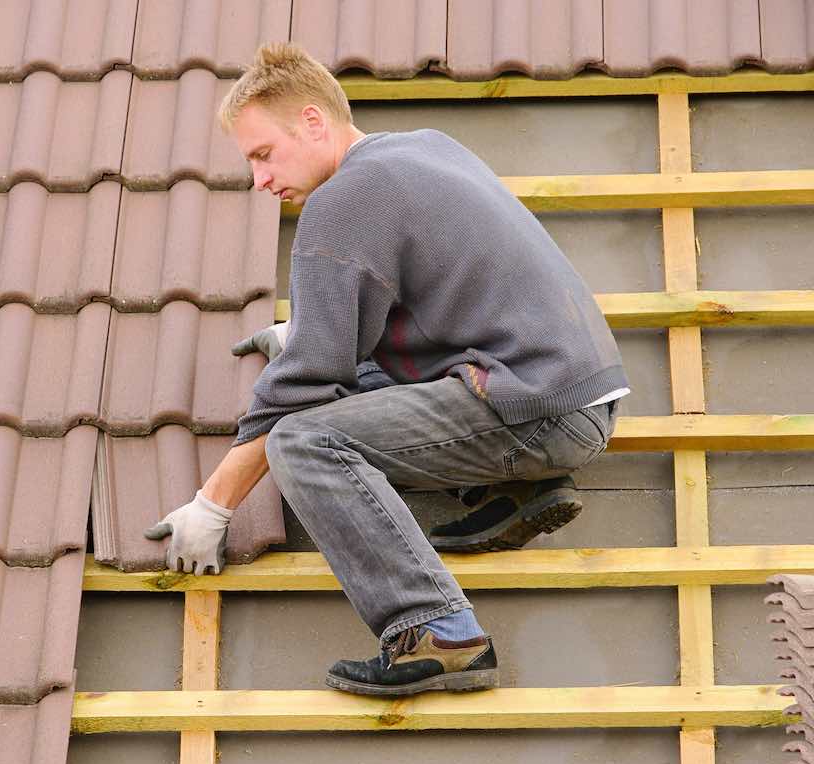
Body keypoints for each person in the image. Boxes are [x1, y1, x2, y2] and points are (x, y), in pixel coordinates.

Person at [143, 42, 629, 697]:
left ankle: (437, 631)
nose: (259, 180)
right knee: (355, 388)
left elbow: (308, 384)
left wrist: (214, 503)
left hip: (533, 408)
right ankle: (515, 492)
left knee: (305, 439)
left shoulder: (346, 198)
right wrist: (312, 326)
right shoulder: (425, 147)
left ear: (313, 122)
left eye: (262, 154)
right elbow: (438, 288)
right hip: (571, 391)